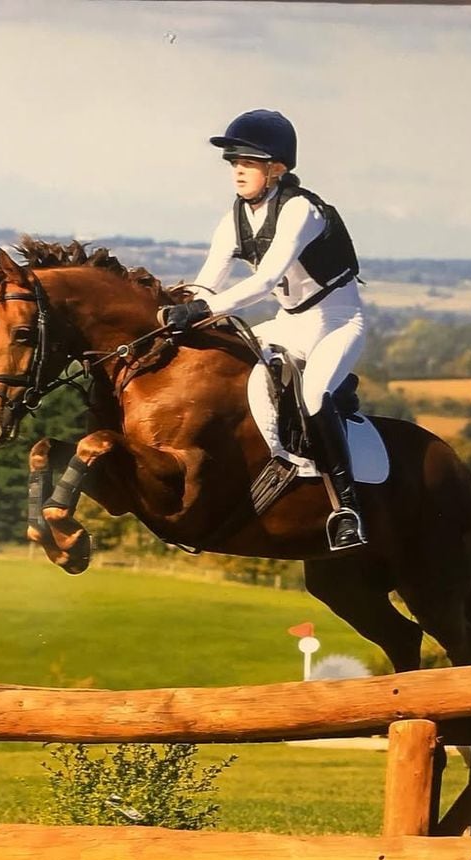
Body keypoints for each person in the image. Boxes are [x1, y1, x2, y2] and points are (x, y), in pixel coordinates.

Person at [158, 109, 367, 550]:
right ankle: (268, 467)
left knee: (313, 395)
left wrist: (205, 309)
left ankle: (347, 508)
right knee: (236, 367)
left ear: (276, 170)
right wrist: (175, 309)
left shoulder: (300, 211)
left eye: (248, 162)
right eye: (234, 161)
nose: (237, 169)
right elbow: (206, 282)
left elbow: (266, 280)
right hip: (290, 322)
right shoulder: (234, 218)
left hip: (338, 321)